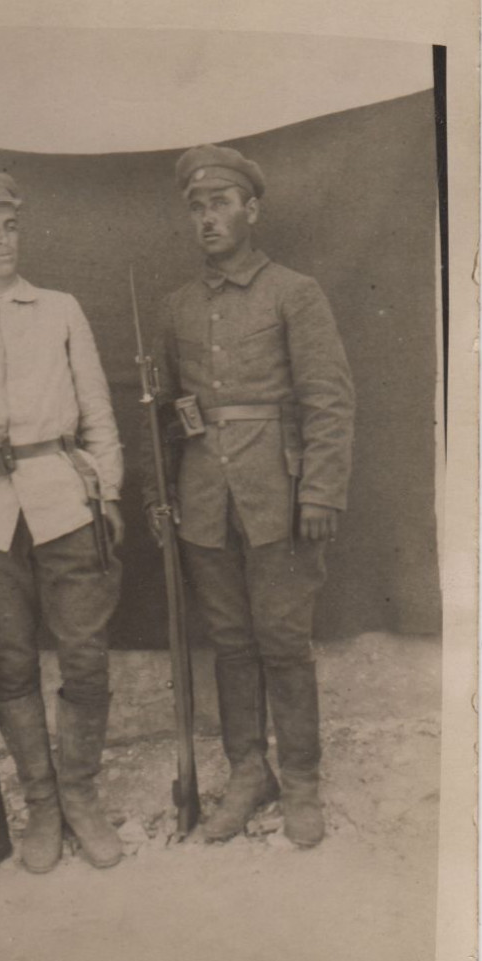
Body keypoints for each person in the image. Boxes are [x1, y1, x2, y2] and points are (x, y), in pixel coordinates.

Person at [143, 145, 354, 847]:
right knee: (231, 643)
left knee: (284, 643)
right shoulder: (175, 307)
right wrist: (161, 490)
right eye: (197, 207)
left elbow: (329, 398)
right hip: (203, 498)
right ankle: (248, 771)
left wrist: (321, 489)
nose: (207, 218)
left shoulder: (294, 292)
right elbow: (164, 413)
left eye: (221, 203)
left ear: (252, 210)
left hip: (279, 493)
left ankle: (300, 780)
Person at [0, 173, 125, 872]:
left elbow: (98, 413)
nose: (3, 240)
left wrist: (111, 494)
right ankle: (41, 804)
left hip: (63, 500)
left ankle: (81, 795)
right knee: (10, 664)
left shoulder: (61, 309)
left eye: (10, 226)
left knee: (85, 656)